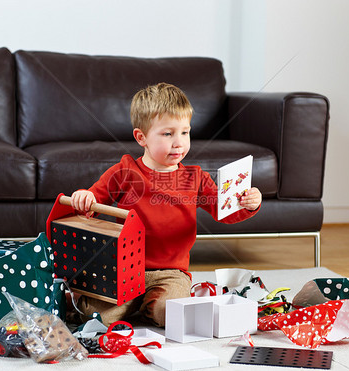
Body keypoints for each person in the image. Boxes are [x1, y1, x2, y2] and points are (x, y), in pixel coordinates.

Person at [67, 83, 262, 327]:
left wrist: (249, 204)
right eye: (168, 134)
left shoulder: (196, 177)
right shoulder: (125, 171)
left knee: (170, 315)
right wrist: (84, 197)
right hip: (126, 267)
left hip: (172, 272)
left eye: (185, 132)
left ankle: (143, 305)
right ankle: (126, 303)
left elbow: (225, 212)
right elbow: (93, 201)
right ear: (142, 138)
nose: (179, 142)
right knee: (96, 319)